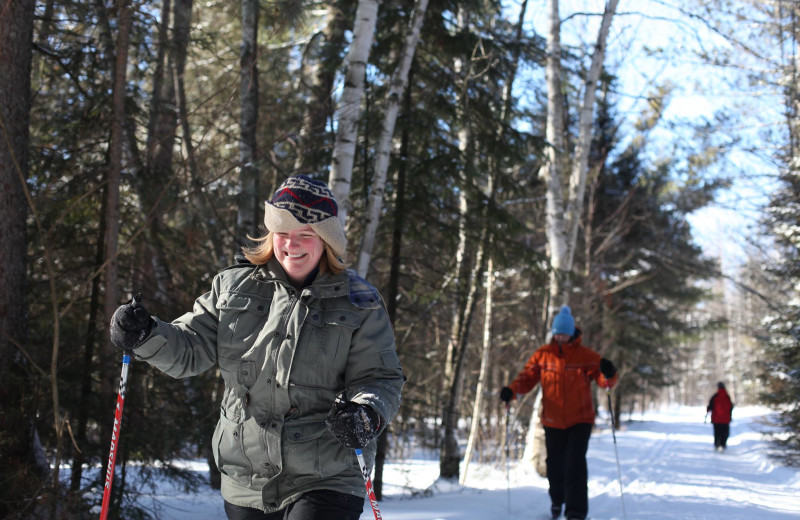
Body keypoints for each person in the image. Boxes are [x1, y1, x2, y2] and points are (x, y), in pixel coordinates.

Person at [109, 175, 405, 520]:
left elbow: (380, 378)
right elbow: (190, 350)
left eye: (305, 235)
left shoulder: (359, 302)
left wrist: (366, 412)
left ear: (326, 240)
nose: (291, 245)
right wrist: (146, 333)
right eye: (283, 233)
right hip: (247, 475)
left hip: (328, 473)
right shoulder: (232, 287)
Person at [500, 305, 618, 520]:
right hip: (552, 420)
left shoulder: (585, 355)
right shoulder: (543, 355)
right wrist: (512, 391)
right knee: (554, 465)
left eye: (565, 333)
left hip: (580, 420)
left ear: (572, 332)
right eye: (558, 333)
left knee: (575, 465)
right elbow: (526, 378)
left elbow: (604, 381)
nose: (562, 337)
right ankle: (557, 501)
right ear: (554, 333)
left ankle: (576, 512)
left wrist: (609, 374)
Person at [707, 382, 734, 452]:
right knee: (724, 432)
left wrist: (708, 412)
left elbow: (710, 406)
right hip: (726, 419)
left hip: (716, 419)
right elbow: (731, 407)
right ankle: (722, 445)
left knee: (717, 432)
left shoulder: (715, 396)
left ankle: (717, 445)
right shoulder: (727, 396)